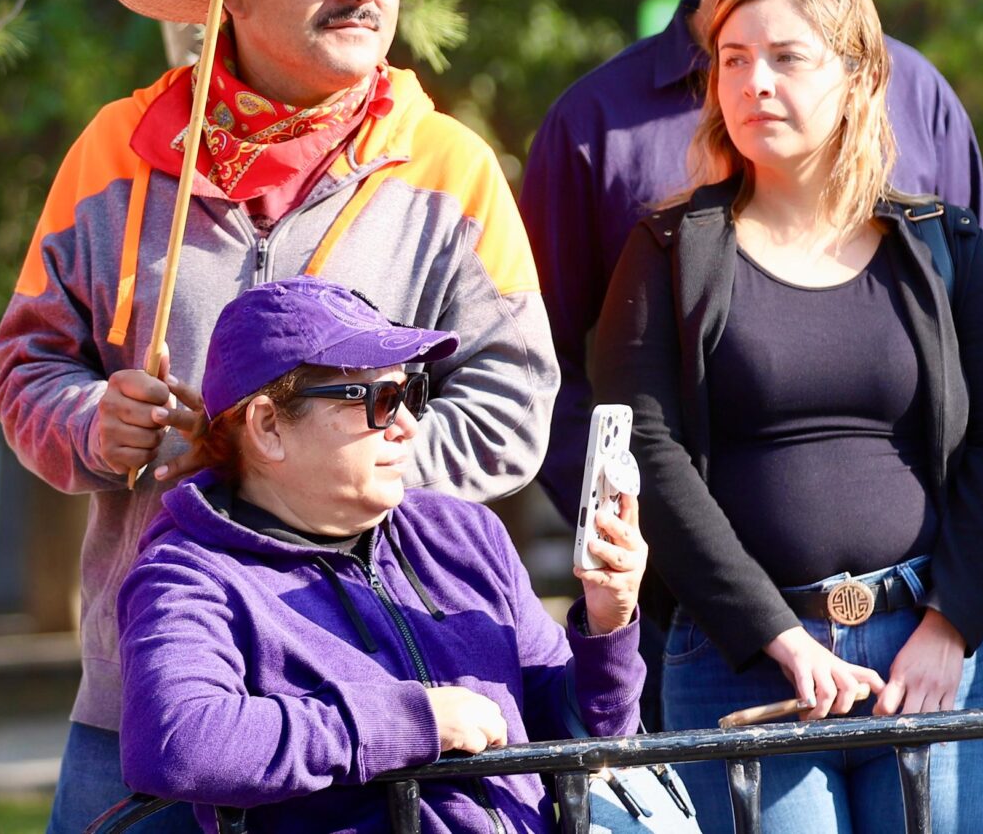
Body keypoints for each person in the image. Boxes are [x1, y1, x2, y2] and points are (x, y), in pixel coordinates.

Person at [0, 0, 560, 834]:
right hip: (150, 704)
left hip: (384, 701)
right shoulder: (113, 151)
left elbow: (513, 411)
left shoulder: (454, 167)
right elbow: (28, 366)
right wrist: (92, 423)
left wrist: (327, 459)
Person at [591, 0, 983, 834]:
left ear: (860, 75)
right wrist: (780, 637)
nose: (754, 81)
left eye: (787, 57)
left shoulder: (944, 245)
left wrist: (950, 626)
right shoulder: (667, 250)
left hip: (938, 655)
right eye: (733, 59)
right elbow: (649, 454)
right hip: (741, 665)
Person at [523, 0, 983, 534]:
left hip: (922, 568)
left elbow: (981, 339)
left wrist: (976, 545)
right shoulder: (595, 126)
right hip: (685, 578)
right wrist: (633, 527)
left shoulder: (916, 96)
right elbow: (536, 364)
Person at [117, 277, 647, 834]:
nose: (409, 426)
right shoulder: (190, 573)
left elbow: (583, 736)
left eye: (412, 393)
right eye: (380, 401)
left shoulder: (463, 533)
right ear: (269, 426)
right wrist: (411, 722)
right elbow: (175, 742)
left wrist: (606, 628)